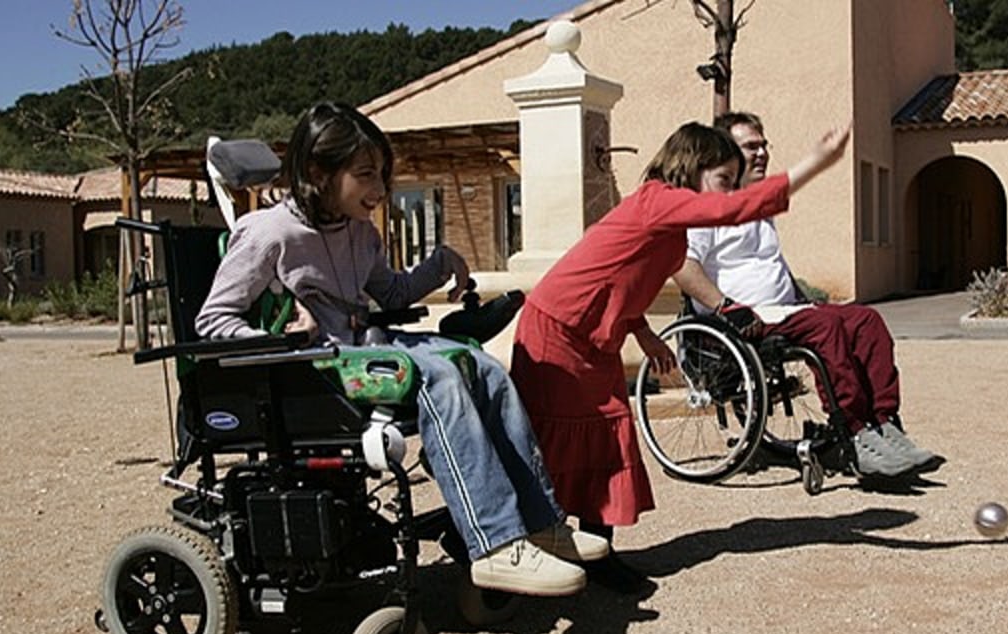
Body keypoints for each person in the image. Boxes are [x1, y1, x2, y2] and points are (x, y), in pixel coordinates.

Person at [195, 101, 608, 597]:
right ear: (316, 172)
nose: (379, 189)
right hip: (316, 367)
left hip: (364, 350)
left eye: (382, 174)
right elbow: (213, 321)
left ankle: (540, 523)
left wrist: (440, 264)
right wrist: (281, 340)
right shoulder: (267, 233)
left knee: (482, 367)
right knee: (441, 377)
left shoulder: (358, 232)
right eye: (366, 175)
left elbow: (388, 294)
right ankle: (496, 544)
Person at [510, 119, 851, 592]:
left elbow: (618, 277)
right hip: (559, 330)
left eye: (733, 182)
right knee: (554, 444)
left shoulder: (671, 229)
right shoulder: (657, 200)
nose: (729, 191)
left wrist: (643, 332)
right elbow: (735, 211)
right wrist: (816, 163)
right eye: (724, 179)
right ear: (692, 167)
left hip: (594, 338)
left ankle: (597, 554)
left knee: (609, 439)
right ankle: (521, 550)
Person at [673, 111, 941, 479]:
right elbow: (683, 266)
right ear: (726, 153)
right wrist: (727, 308)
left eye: (764, 144)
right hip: (740, 321)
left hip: (783, 311)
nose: (762, 152)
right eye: (751, 146)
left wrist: (805, 300)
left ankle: (884, 424)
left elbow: (770, 266)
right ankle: (855, 432)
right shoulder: (708, 207)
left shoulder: (757, 207)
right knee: (825, 327)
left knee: (866, 319)